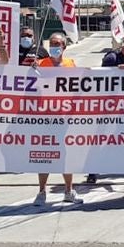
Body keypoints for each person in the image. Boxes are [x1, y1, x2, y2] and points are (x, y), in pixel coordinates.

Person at [87, 31, 124, 183]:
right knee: (101, 137)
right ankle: (92, 170)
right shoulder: (111, 58)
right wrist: (115, 72)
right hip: (109, 106)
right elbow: (101, 79)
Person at [33, 32, 83, 205]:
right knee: (45, 155)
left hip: (64, 119)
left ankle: (69, 190)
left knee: (65, 155)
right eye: (52, 44)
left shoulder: (71, 65)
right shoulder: (41, 64)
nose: (54, 47)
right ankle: (41, 192)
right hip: (45, 118)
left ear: (64, 47)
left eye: (57, 44)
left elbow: (79, 89)